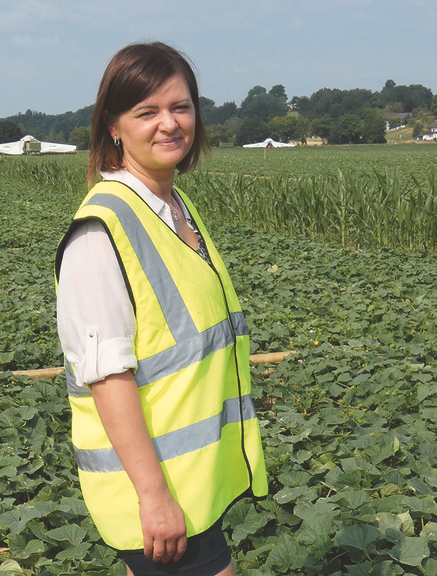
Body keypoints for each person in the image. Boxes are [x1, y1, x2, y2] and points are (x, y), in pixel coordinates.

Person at [54, 42, 268, 576]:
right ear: (113, 126)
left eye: (181, 106)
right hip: (155, 495)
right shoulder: (100, 233)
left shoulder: (175, 207)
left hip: (191, 484)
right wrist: (154, 498)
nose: (169, 124)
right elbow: (107, 377)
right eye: (146, 112)